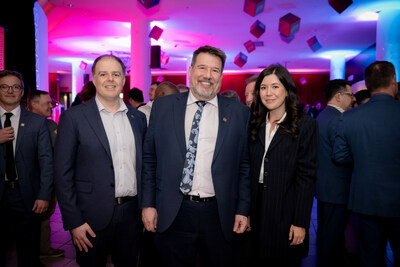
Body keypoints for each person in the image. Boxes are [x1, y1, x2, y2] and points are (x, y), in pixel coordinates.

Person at [141, 45, 251, 267]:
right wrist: (148, 204)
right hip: (174, 209)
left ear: (221, 75)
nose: (208, 76)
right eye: (202, 67)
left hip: (219, 213)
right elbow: (150, 160)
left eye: (215, 70)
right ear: (190, 71)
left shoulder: (239, 113)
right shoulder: (163, 107)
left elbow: (244, 166)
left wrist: (242, 209)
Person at [54, 55, 147, 267]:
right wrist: (74, 221)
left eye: (116, 74)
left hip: (131, 215)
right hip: (90, 216)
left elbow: (144, 168)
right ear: (94, 80)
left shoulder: (137, 118)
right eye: (103, 74)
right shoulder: (74, 118)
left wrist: (145, 208)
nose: (110, 79)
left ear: (124, 79)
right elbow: (62, 174)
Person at [248, 65, 318, 267]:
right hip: (256, 208)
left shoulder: (305, 124)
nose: (268, 93)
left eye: (275, 86)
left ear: (287, 90)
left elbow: (307, 176)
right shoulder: (254, 123)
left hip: (286, 210)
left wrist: (300, 221)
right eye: (263, 87)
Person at [332, 61, 400, 267]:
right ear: (394, 80)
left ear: (367, 85)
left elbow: (339, 156)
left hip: (366, 199)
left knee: (370, 257)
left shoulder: (350, 117)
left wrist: (363, 157)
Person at [0, 70, 53, 267]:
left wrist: (44, 195)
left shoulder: (37, 122)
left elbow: (46, 161)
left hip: (27, 197)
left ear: (22, 92)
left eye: (16, 86)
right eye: (5, 86)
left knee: (28, 252)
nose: (10, 90)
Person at [315, 79, 354, 267]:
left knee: (326, 233)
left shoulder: (322, 116)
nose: (353, 99)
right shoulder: (338, 119)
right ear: (339, 96)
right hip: (337, 188)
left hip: (324, 186)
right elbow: (340, 155)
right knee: (332, 236)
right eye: (350, 94)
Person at [28, 90, 64, 258]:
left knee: (44, 215)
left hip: (40, 178)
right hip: (41, 178)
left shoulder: (49, 124)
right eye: (47, 103)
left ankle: (42, 248)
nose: (51, 106)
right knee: (42, 213)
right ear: (34, 104)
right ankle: (41, 250)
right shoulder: (48, 126)